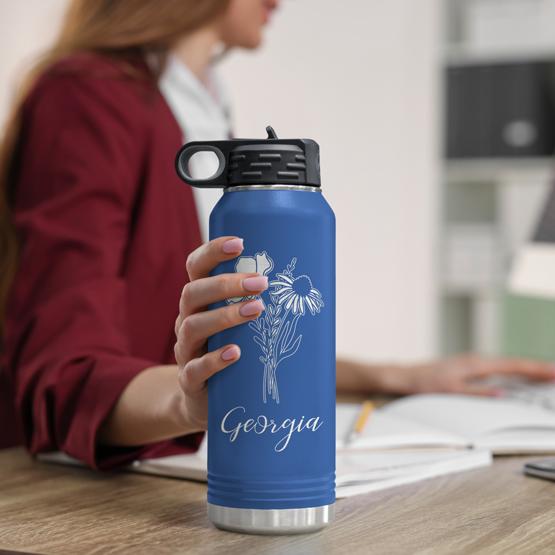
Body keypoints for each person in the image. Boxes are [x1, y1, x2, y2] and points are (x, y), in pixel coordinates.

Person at [1, 0, 554, 467]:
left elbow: (212, 352)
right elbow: (63, 377)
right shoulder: (86, 97)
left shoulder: (202, 106)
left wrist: (394, 374)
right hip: (75, 502)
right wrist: (191, 405)